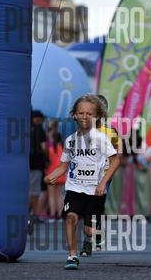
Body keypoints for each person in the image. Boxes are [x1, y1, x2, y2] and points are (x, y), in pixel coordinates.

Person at [45, 94, 119, 270]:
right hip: (74, 187)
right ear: (75, 115)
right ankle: (72, 256)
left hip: (95, 189)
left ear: (97, 116)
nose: (85, 116)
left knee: (89, 230)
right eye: (81, 113)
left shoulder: (101, 139)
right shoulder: (70, 140)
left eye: (89, 114)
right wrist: (51, 176)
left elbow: (115, 160)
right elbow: (64, 166)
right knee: (70, 217)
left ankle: (93, 232)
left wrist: (103, 183)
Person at [78, 94, 120, 256]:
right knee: (87, 206)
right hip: (85, 173)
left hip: (103, 175)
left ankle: (88, 241)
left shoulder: (111, 132)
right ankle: (94, 234)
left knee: (95, 205)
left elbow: (117, 154)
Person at [28, 110, 48, 226]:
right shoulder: (39, 130)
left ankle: (29, 214)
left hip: (27, 164)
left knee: (30, 190)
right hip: (36, 165)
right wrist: (47, 159)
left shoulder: (25, 128)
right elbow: (44, 146)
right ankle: (33, 215)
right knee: (34, 191)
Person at [45, 132, 65, 221]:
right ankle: (60, 215)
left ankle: (52, 215)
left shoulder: (49, 148)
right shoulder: (63, 148)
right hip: (61, 174)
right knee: (59, 195)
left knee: (51, 196)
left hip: (51, 174)